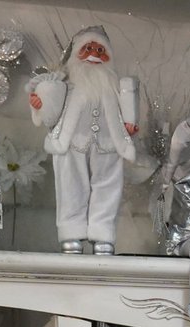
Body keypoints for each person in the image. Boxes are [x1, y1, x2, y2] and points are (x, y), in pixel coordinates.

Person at [27, 25, 141, 255]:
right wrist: (41, 104)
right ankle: (71, 233)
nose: (94, 53)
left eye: (100, 49)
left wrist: (129, 123)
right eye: (87, 48)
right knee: (70, 186)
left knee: (108, 186)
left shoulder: (113, 88)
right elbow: (51, 112)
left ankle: (103, 234)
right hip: (72, 142)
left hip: (108, 142)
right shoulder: (67, 86)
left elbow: (128, 110)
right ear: (76, 53)